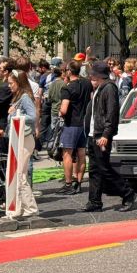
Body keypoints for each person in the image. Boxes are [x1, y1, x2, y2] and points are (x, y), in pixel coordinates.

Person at [83, 62, 136, 212]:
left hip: (101, 135)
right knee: (94, 169)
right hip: (93, 134)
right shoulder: (99, 88)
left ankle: (127, 193)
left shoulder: (109, 88)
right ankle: (94, 201)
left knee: (104, 168)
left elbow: (112, 113)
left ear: (99, 75)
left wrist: (106, 134)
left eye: (93, 74)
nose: (90, 76)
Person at [5, 70, 38, 218]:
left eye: (11, 83)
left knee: (20, 174)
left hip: (25, 138)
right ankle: (22, 207)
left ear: (19, 82)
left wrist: (14, 114)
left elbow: (32, 116)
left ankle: (30, 207)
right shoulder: (19, 97)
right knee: (18, 174)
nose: (9, 86)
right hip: (19, 138)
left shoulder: (24, 97)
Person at [57, 61, 91, 195]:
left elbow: (64, 110)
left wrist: (59, 112)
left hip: (71, 124)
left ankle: (68, 183)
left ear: (69, 72)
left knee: (67, 154)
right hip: (84, 123)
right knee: (81, 154)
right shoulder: (87, 83)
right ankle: (78, 182)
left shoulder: (67, 88)